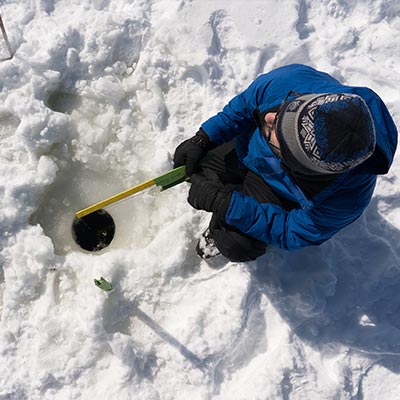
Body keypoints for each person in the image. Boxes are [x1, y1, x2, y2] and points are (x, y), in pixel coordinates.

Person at [173, 64, 398, 263]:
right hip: (248, 150)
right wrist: (204, 138)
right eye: (284, 115)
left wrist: (228, 205)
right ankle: (235, 188)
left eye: (275, 133)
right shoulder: (291, 80)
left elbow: (292, 231)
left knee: (236, 243)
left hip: (278, 192)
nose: (269, 119)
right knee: (198, 163)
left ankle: (232, 212)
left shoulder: (346, 198)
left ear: (299, 166)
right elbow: (242, 107)